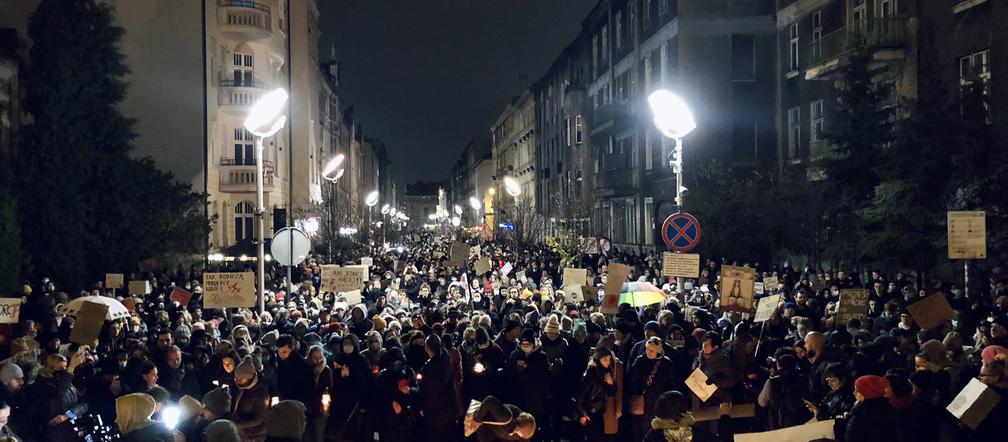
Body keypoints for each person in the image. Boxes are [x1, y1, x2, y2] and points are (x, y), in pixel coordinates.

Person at [628, 336, 676, 441]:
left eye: (652, 351)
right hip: (642, 402)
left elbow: (671, 384)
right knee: (641, 430)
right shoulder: (640, 361)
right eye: (647, 349)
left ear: (658, 352)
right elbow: (632, 380)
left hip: (659, 403)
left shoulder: (667, 363)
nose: (648, 352)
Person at [575, 346, 622, 442]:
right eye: (605, 359)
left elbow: (610, 394)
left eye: (609, 359)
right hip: (590, 412)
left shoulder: (605, 372)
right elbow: (580, 396)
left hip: (600, 411)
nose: (607, 362)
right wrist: (582, 413)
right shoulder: (591, 374)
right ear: (598, 359)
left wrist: (611, 384)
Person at [758, 354, 811, 429]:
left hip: (780, 424)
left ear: (778, 366)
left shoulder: (772, 382)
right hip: (803, 421)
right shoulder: (804, 379)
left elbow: (762, 402)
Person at [844, 375, 897, 442]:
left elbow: (851, 437)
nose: (854, 393)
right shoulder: (888, 408)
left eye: (857, 391)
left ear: (866, 392)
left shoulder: (860, 415)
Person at [231, 356, 269, 442]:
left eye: (241, 379)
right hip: (243, 432)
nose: (238, 381)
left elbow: (258, 418)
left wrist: (237, 424)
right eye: (236, 379)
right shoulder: (244, 388)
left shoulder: (260, 394)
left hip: (255, 435)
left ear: (250, 377)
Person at [471, 395, 536, 442]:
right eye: (521, 434)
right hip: (485, 427)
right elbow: (489, 400)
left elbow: (525, 438)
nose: (520, 436)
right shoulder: (505, 417)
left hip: (496, 434)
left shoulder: (524, 433)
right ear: (517, 428)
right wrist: (477, 419)